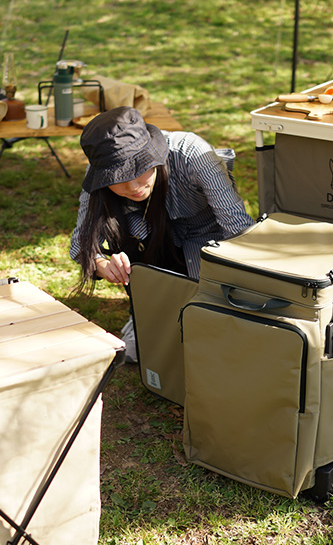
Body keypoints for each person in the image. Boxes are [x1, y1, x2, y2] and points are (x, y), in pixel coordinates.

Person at [70, 106, 254, 360]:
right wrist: (102, 265)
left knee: (217, 343)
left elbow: (238, 229)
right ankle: (146, 316)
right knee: (147, 353)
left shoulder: (193, 154)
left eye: (139, 170)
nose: (133, 187)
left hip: (211, 244)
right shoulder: (98, 178)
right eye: (119, 178)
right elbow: (81, 244)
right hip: (152, 248)